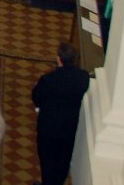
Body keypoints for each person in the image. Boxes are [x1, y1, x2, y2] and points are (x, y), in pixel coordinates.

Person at [32, 42, 91, 185]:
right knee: (63, 160)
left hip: (49, 126)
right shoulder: (83, 78)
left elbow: (37, 97)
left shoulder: (49, 79)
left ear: (58, 58)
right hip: (69, 127)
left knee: (47, 159)